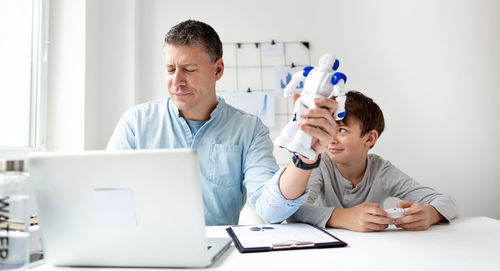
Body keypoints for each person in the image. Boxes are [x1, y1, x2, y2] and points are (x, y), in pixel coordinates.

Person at [107, 19, 281, 226]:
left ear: (217, 70)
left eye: (189, 69)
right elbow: (108, 195)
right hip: (149, 248)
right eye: (170, 69)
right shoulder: (135, 123)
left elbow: (269, 207)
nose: (176, 80)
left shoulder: (249, 129)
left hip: (219, 248)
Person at [264, 91, 458, 232]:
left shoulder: (381, 170)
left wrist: (430, 214)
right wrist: (343, 217)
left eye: (341, 130)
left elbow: (446, 202)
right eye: (328, 129)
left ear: (369, 139)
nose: (330, 138)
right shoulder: (319, 165)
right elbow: (293, 212)